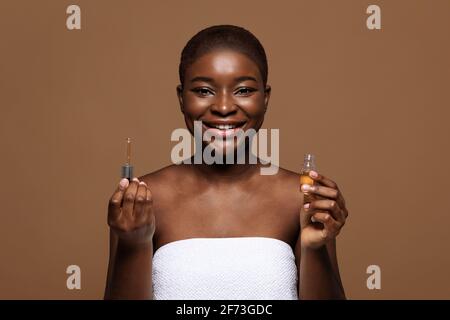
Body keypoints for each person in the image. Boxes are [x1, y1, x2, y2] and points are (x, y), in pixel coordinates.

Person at [104, 24, 349, 300]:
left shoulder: (301, 198)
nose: (223, 107)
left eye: (243, 90)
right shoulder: (142, 199)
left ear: (265, 98)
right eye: (204, 91)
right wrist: (132, 244)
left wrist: (316, 248)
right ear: (181, 98)